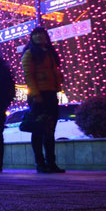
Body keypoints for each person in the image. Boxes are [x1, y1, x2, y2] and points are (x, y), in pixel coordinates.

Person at [22, 27, 65, 173]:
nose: (39, 36)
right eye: (36, 34)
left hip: (51, 93)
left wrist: (58, 81)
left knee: (50, 130)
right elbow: (29, 76)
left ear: (46, 36)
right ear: (32, 38)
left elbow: (55, 71)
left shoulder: (50, 53)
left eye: (42, 34)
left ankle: (51, 163)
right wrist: (36, 95)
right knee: (38, 129)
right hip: (39, 95)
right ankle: (40, 163)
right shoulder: (29, 54)